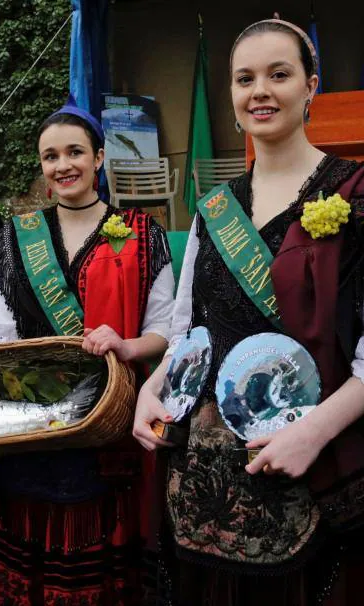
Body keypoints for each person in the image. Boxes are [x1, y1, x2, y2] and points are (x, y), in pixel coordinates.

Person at [133, 19, 364, 605]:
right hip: (205, 486)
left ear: (311, 86)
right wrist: (150, 390)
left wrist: (311, 434)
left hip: (309, 466)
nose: (260, 90)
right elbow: (190, 331)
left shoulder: (354, 195)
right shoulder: (214, 210)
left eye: (278, 74)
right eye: (245, 78)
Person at [0, 100, 174, 605]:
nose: (63, 166)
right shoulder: (15, 238)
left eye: (76, 152)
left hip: (109, 424)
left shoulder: (144, 234)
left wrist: (124, 344)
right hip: (30, 425)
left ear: (99, 157)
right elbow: (0, 331)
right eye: (51, 156)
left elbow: (166, 331)